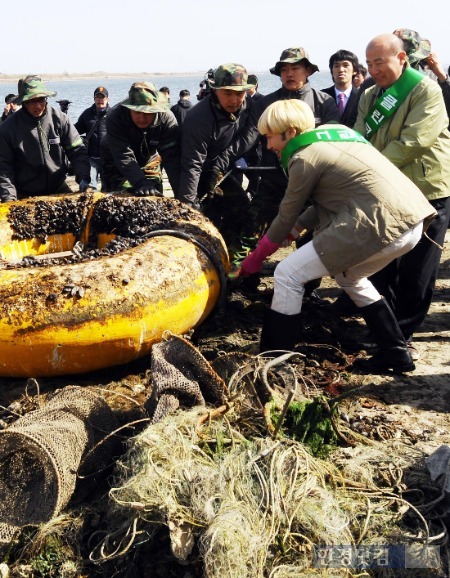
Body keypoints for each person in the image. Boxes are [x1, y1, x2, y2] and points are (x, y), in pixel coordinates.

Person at [235, 100, 436, 373]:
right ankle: (396, 352)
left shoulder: (304, 158)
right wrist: (296, 230)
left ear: (290, 132)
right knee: (349, 276)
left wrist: (255, 260)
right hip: (412, 222)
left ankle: (274, 357)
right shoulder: (334, 135)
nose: (269, 146)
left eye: (270, 136)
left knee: (287, 273)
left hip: (381, 223)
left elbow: (285, 214)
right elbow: (329, 199)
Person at [353, 33, 450, 361]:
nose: (374, 69)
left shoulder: (426, 90)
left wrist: (369, 168)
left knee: (417, 271)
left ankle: (403, 335)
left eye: (379, 62)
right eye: (368, 64)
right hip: (386, 192)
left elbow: (414, 141)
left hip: (427, 192)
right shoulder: (368, 95)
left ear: (402, 60)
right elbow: (359, 138)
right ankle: (385, 331)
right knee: (383, 267)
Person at [209, 47, 340, 280]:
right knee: (250, 229)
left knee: (311, 238)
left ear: (307, 71)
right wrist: (225, 161)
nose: (289, 74)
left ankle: (305, 286)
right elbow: (249, 138)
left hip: (312, 184)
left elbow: (330, 145)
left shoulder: (324, 102)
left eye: (295, 68)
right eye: (284, 70)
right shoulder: (266, 103)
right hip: (273, 182)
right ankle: (238, 278)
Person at [179, 63, 256, 241]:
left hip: (223, 165)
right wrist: (188, 205)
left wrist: (219, 166)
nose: (234, 100)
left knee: (242, 211)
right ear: (215, 90)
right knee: (200, 214)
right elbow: (192, 164)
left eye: (239, 93)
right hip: (194, 168)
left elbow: (250, 134)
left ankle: (234, 254)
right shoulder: (198, 118)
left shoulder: (249, 105)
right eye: (227, 93)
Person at [0, 76, 90, 202]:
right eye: (32, 101)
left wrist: (84, 178)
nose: (38, 106)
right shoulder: (7, 128)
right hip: (25, 193)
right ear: (23, 102)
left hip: (58, 187)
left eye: (41, 100)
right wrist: (9, 198)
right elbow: (4, 168)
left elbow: (77, 151)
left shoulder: (59, 119)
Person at [100, 81, 180, 196]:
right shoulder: (115, 116)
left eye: (148, 112)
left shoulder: (167, 119)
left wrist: (182, 196)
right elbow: (123, 155)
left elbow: (172, 159)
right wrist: (140, 181)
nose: (142, 118)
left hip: (149, 157)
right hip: (114, 157)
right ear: (129, 108)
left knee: (154, 194)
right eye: (137, 112)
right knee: (116, 197)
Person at [75, 86, 111, 190]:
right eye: (97, 97)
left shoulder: (114, 114)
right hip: (91, 157)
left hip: (108, 158)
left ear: (107, 99)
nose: (100, 100)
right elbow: (76, 130)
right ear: (94, 99)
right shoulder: (87, 114)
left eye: (102, 97)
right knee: (89, 187)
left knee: (110, 189)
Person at [321, 49, 360, 127]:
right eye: (336, 66)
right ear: (332, 71)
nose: (341, 70)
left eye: (345, 65)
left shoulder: (362, 96)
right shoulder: (321, 96)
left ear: (354, 71)